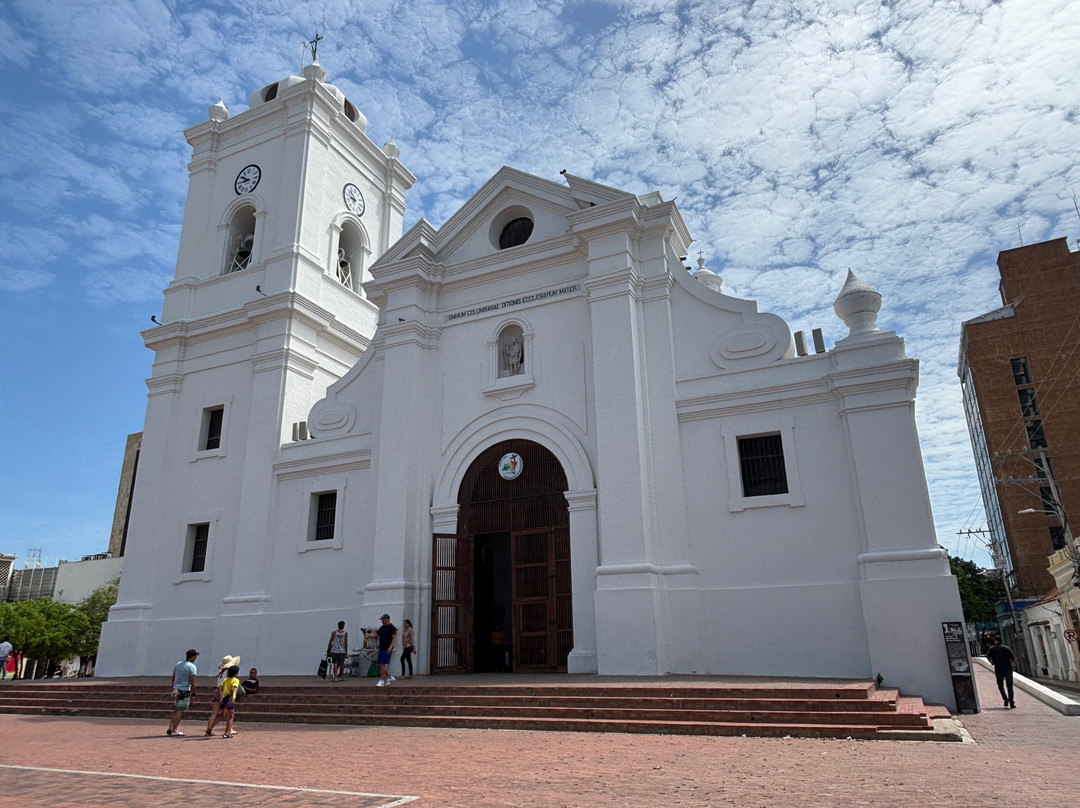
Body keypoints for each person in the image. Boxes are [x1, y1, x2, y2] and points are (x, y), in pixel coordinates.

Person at [205, 654, 240, 735]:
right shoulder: (229, 676)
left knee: (219, 713)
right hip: (226, 694)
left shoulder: (222, 672)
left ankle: (209, 729)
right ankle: (226, 730)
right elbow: (230, 688)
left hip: (219, 692)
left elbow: (220, 686)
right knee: (226, 714)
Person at [167, 649, 198, 736]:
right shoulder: (192, 666)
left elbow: (173, 677)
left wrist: (173, 687)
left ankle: (171, 727)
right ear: (193, 657)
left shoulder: (178, 664)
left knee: (176, 709)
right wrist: (193, 693)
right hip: (184, 689)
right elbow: (193, 681)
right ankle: (175, 729)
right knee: (180, 710)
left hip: (176, 688)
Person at [986, 637, 1016, 708]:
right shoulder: (1006, 648)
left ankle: (1005, 698)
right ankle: (1011, 702)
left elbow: (988, 657)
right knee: (1009, 686)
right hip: (1008, 668)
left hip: (998, 669)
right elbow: (1012, 658)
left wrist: (992, 662)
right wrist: (1013, 665)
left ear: (995, 640)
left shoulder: (992, 649)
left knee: (1000, 685)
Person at [370, 614, 397, 687]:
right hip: (381, 647)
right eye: (382, 620)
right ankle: (389, 677)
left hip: (387, 647)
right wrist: (369, 635)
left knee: (382, 663)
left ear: (388, 620)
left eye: (383, 620)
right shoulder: (382, 628)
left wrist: (390, 647)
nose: (382, 621)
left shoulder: (392, 628)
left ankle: (382, 680)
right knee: (380, 664)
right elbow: (377, 635)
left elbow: (394, 638)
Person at [218, 664, 241, 738]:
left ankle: (211, 729)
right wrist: (231, 700)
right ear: (236, 674)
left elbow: (220, 688)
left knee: (223, 714)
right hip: (229, 698)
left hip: (224, 697)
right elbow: (232, 690)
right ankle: (227, 732)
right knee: (231, 716)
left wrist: (221, 697)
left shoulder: (225, 680)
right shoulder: (236, 680)